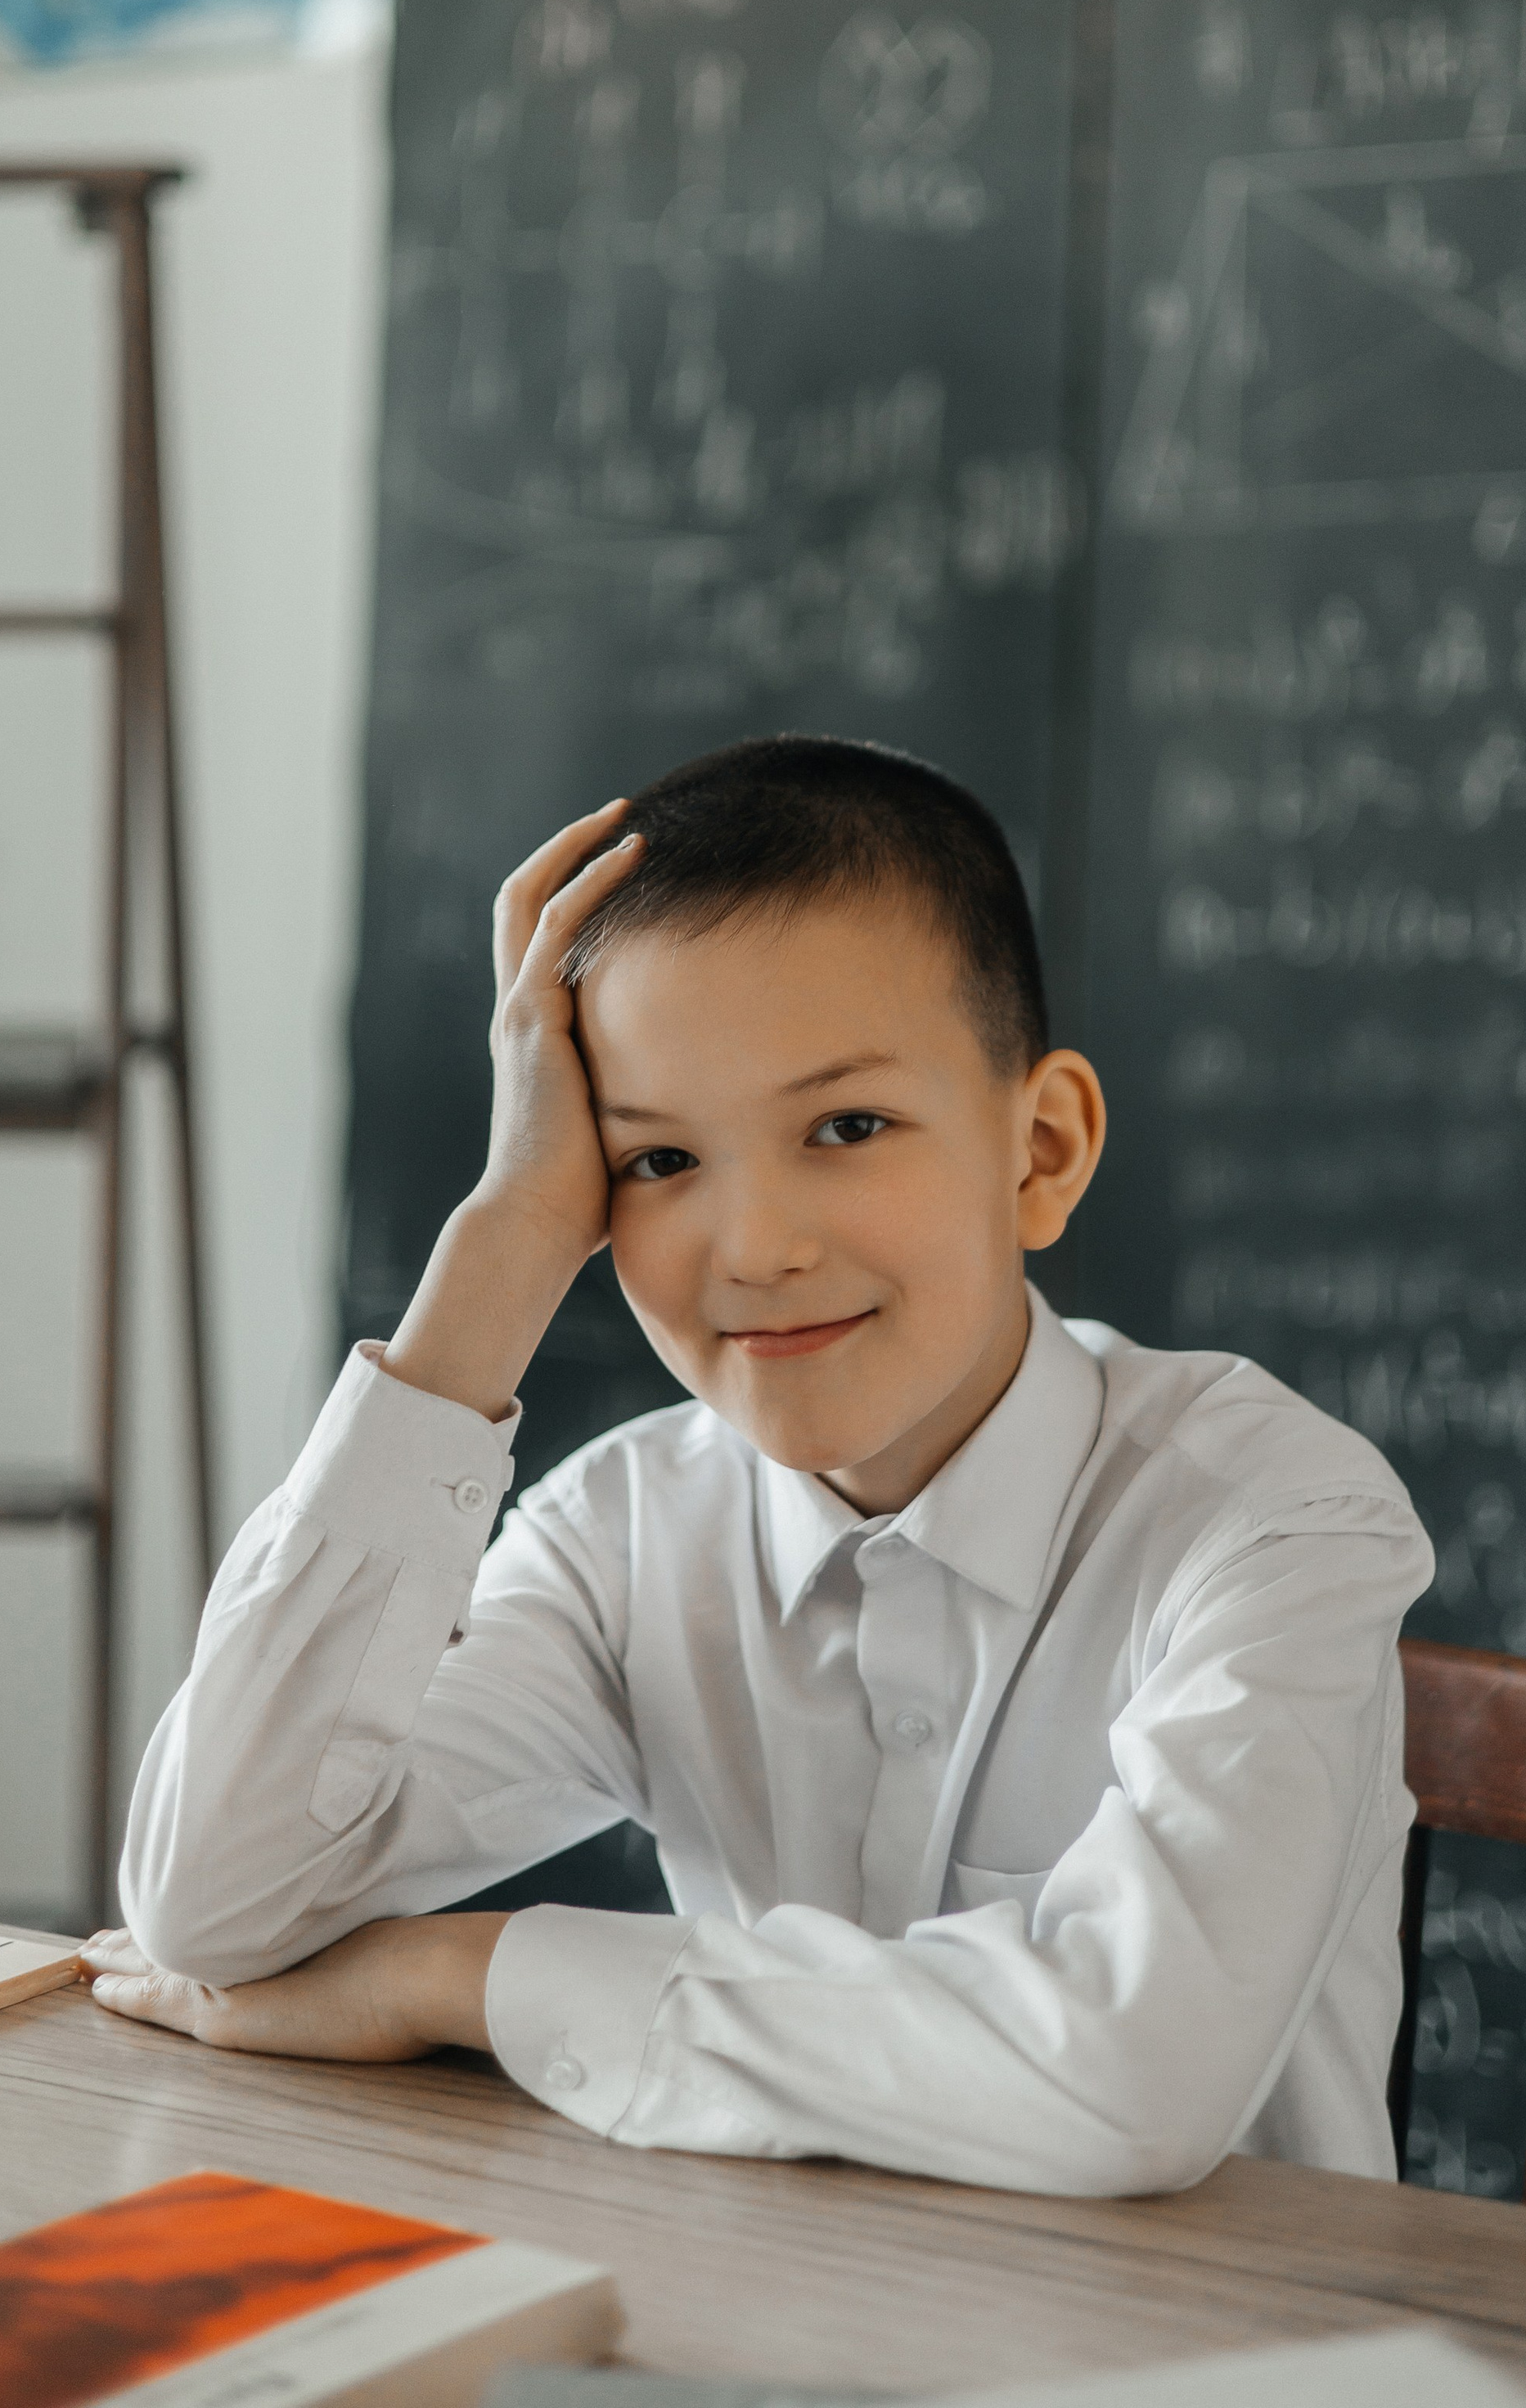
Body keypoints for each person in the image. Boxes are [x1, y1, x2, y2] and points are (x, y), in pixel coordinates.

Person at [88, 736, 1433, 2196]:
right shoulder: (625, 1532)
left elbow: (1129, 2080)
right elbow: (214, 1904)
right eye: (656, 1162)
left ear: (1041, 1150)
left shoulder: (1280, 1520)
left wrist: (449, 1978)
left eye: (847, 1127)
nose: (757, 1249)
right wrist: (503, 1244)